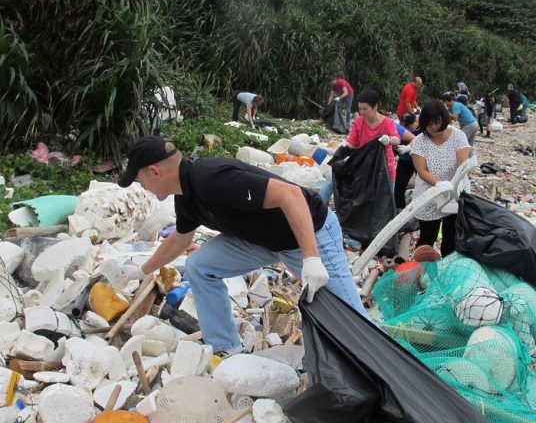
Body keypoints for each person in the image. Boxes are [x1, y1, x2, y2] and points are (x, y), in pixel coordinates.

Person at [117, 137, 370, 356]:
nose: (145, 189)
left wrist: (311, 258)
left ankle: (393, 372)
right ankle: (226, 347)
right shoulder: (186, 195)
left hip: (308, 235)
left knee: (352, 321)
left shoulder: (211, 179)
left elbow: (291, 195)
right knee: (199, 266)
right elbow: (180, 239)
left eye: (141, 182)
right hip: (263, 241)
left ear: (155, 171)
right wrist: (142, 271)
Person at [411, 100, 471, 257]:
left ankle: (447, 267)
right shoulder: (420, 141)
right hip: (429, 192)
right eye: (428, 124)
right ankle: (422, 267)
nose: (433, 128)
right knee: (427, 236)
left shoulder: (458, 136)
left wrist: (452, 186)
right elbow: (421, 170)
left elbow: (462, 165)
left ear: (444, 119)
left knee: (451, 236)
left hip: (454, 191)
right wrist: (438, 184)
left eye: (436, 122)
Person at [347, 90, 400, 188]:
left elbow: (397, 139)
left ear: (375, 107)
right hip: (365, 169)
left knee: (385, 201)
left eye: (365, 109)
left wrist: (389, 139)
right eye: (360, 109)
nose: (362, 112)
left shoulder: (387, 123)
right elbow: (351, 144)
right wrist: (344, 151)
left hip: (385, 169)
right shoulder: (358, 123)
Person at [394, 113, 419, 209]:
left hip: (420, 159)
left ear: (415, 122)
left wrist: (408, 147)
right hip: (405, 160)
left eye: (409, 127)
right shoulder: (399, 128)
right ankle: (399, 209)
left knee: (424, 185)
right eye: (405, 128)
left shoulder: (425, 126)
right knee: (399, 186)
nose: (407, 130)